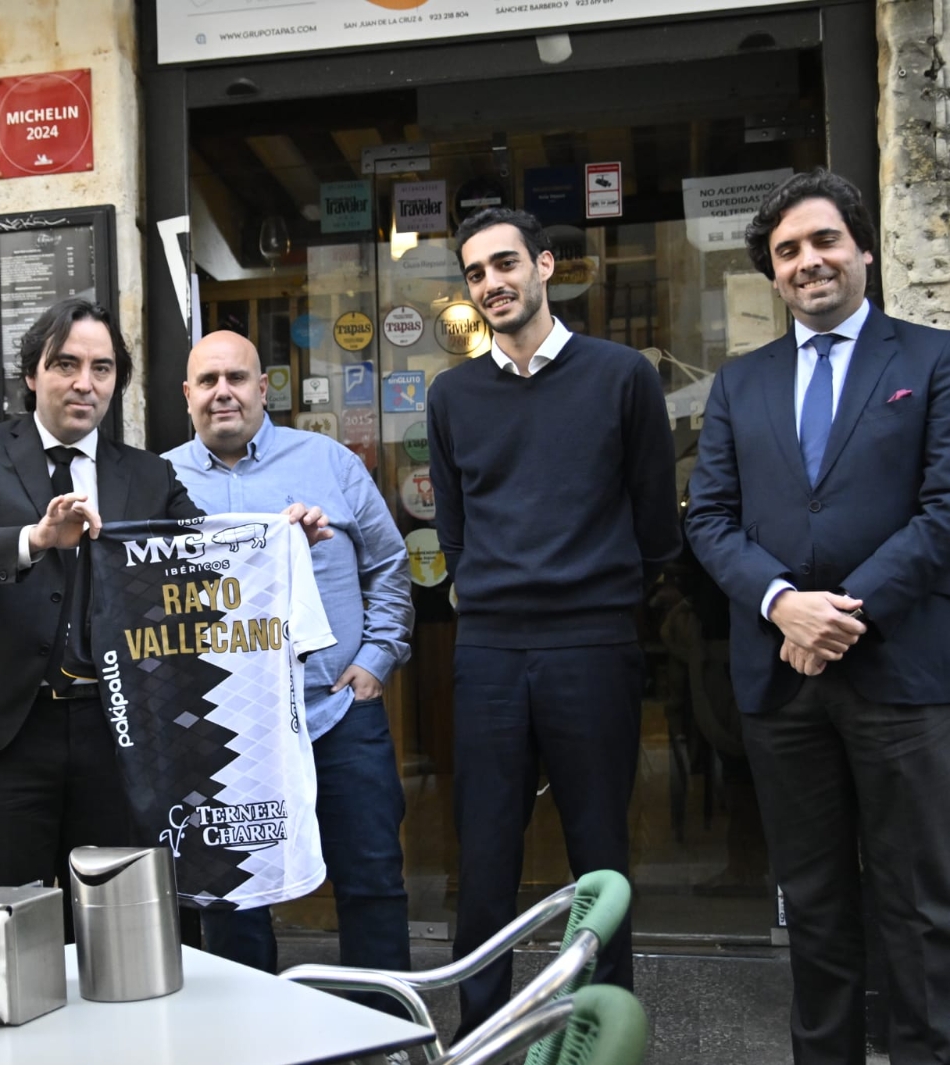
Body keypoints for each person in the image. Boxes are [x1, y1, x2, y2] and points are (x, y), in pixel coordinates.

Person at [685, 169, 950, 1065]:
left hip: (898, 671)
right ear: (772, 275)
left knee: (920, 904)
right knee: (814, 906)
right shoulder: (741, 382)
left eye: (824, 241)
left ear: (862, 248)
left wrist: (840, 613)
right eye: (787, 251)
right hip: (783, 684)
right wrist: (784, 603)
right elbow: (707, 518)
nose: (808, 261)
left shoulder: (936, 358)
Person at [0, 299, 329, 929]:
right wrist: (34, 538)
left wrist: (281, 541)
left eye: (102, 368)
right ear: (32, 375)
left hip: (120, 735)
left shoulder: (147, 472)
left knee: (112, 926)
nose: (86, 382)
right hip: (3, 732)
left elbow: (209, 559)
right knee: (7, 921)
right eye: (67, 365)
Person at [427, 208, 681, 1036]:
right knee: (486, 853)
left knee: (600, 856)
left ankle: (598, 1033)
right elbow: (455, 531)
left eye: (506, 264)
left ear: (544, 265)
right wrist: (499, 593)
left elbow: (655, 525)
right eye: (476, 273)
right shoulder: (454, 393)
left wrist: (595, 593)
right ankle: (483, 1034)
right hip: (492, 648)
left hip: (593, 641)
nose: (493, 283)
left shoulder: (621, 375)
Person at [163, 330, 414, 990]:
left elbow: (389, 563)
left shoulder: (328, 462)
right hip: (225, 731)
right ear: (186, 394)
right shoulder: (158, 482)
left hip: (337, 710)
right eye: (208, 380)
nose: (223, 391)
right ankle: (252, 1041)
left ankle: (382, 1037)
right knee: (235, 901)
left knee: (371, 877)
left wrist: (379, 656)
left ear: (263, 386)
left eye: (237, 378)